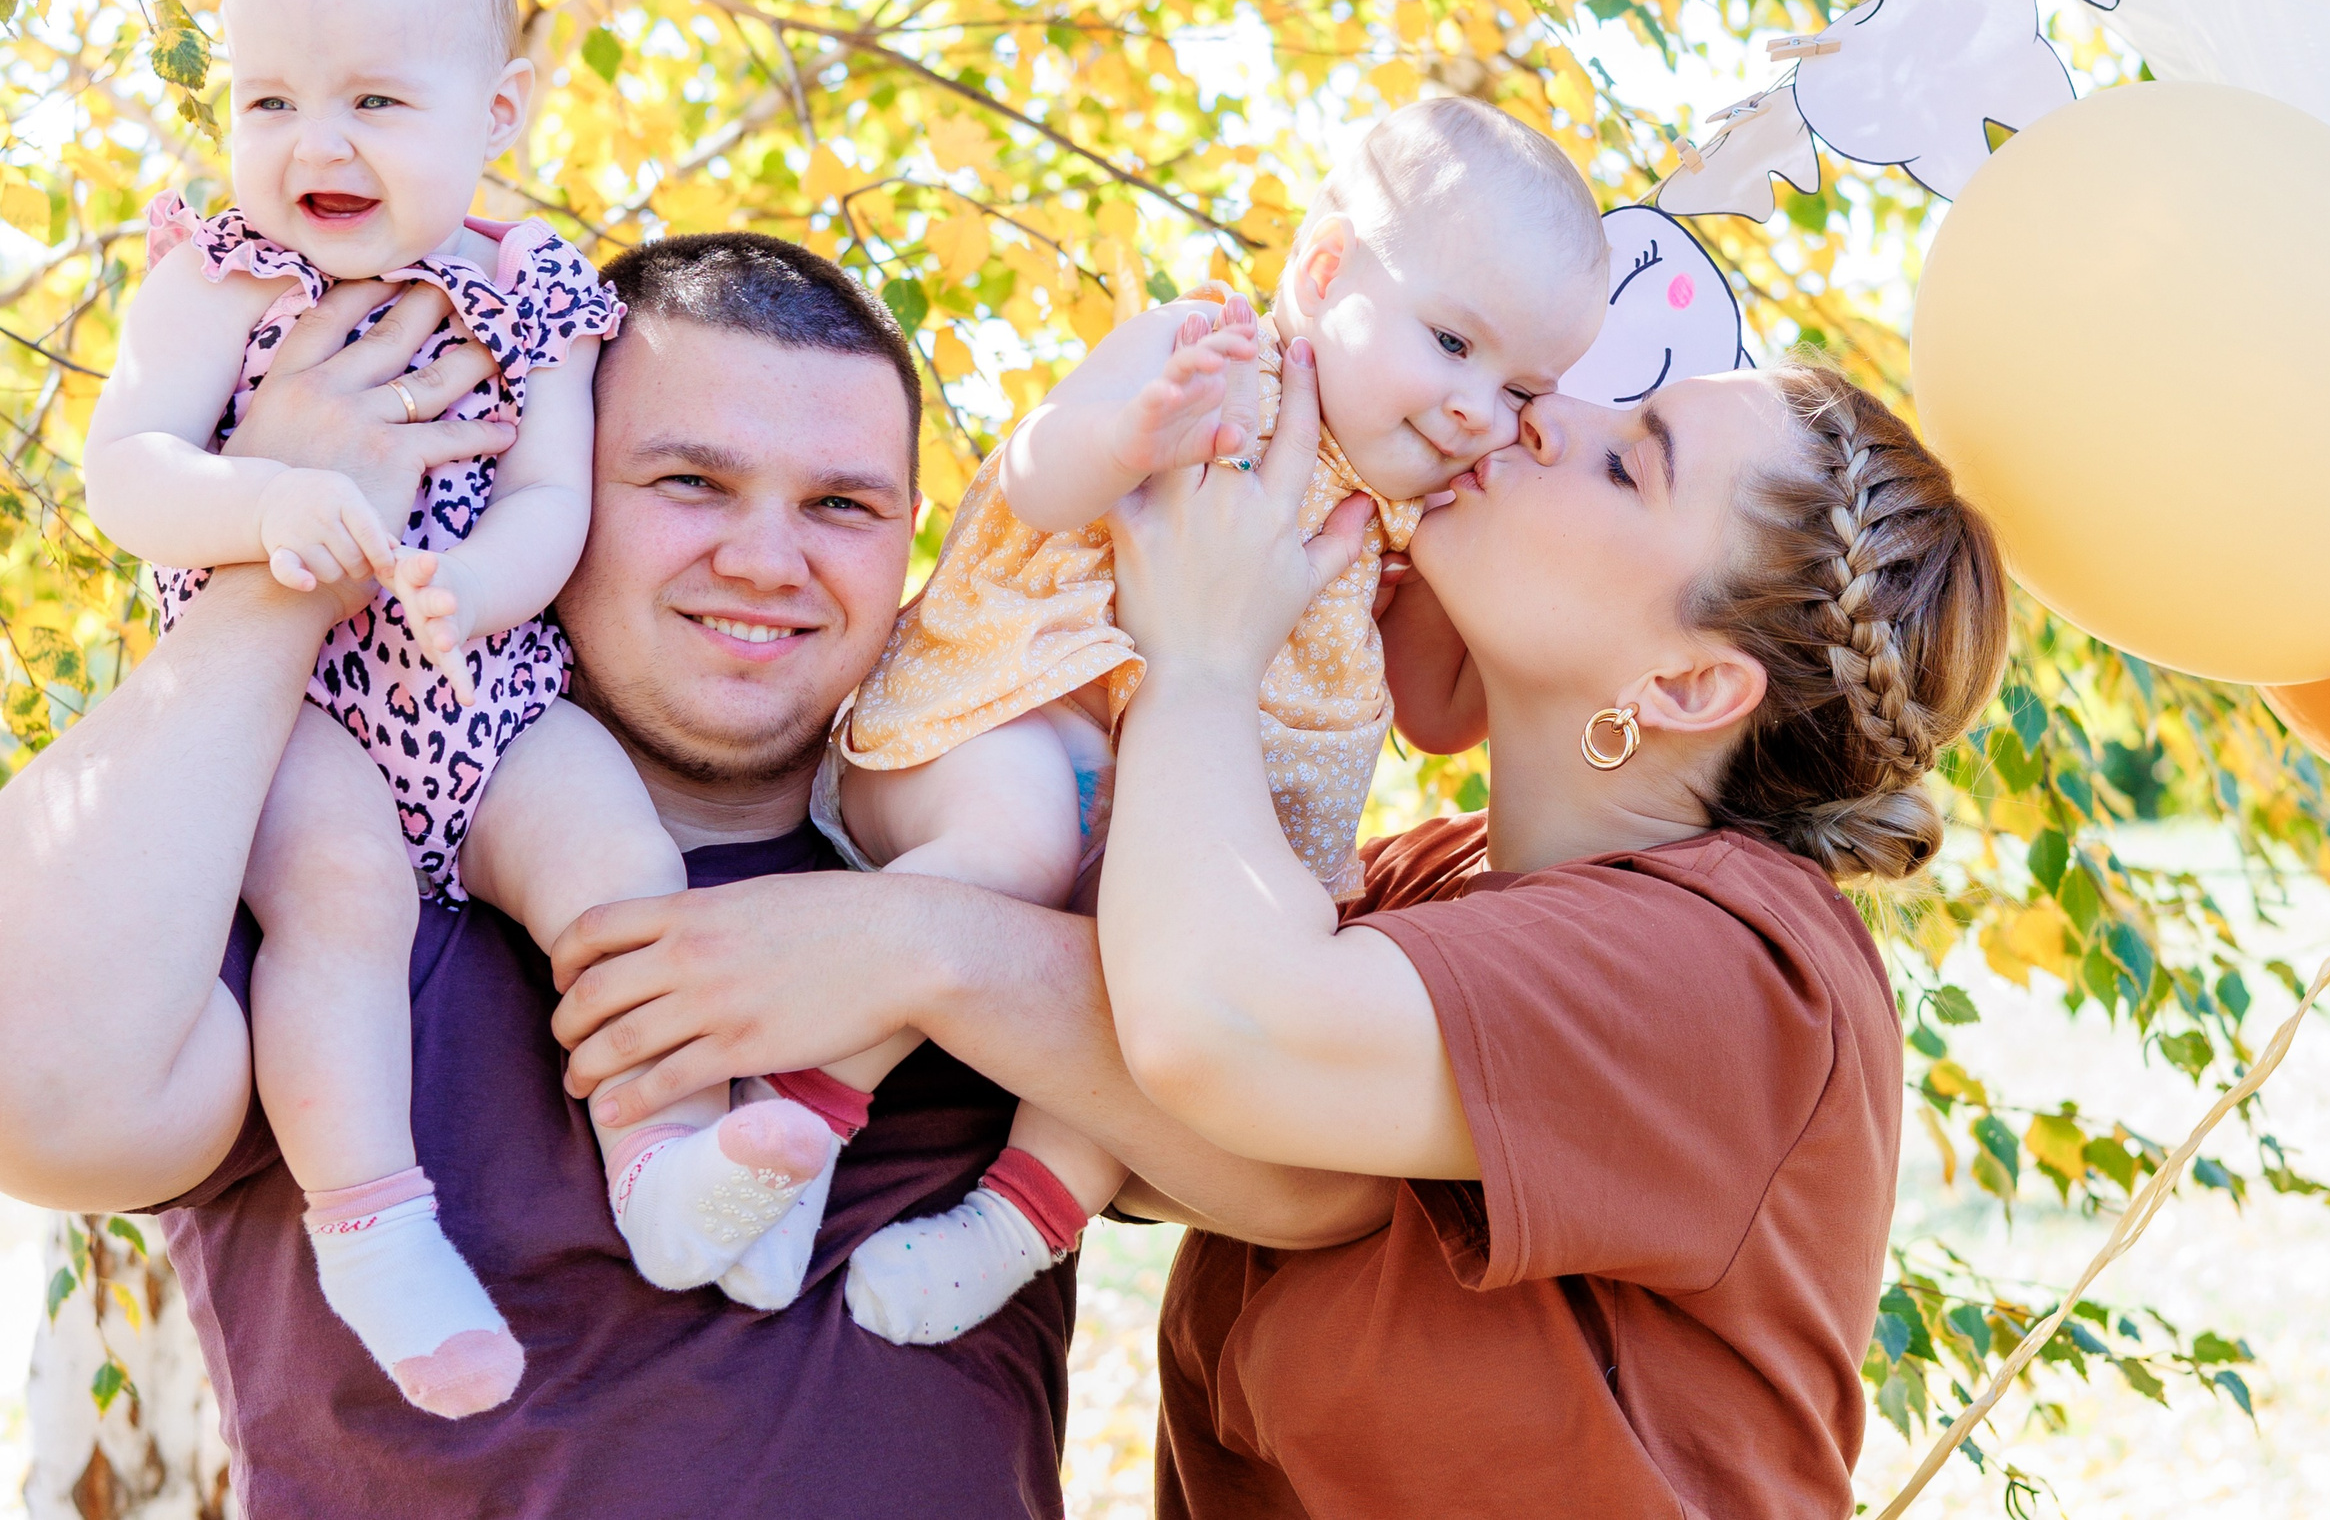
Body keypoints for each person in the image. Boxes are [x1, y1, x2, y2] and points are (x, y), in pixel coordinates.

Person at [0, 232, 1375, 1516]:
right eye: (689, 483)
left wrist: (927, 948)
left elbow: (1317, 1182)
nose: (766, 560)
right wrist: (285, 559)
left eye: (841, 505)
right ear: (546, 492)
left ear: (909, 541)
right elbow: (43, 1095)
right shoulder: (334, 872)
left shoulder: (1028, 879)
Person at [546, 340, 2009, 1517]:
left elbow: (1211, 1030)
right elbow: (1257, 1155)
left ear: (1689, 688)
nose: (1546, 413)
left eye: (1630, 461)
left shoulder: (1734, 966)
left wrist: (1194, 659)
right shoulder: (1427, 886)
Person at [79, 0, 840, 1419]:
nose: (316, 142)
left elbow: (554, 495)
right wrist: (267, 493)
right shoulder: (218, 278)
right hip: (288, 706)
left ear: (496, 115)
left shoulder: (531, 288)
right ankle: (375, 1225)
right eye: (271, 99)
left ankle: (669, 1155)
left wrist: (482, 586)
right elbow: (125, 475)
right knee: (340, 890)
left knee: (616, 862)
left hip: (480, 684)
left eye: (373, 98)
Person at [801, 96, 1607, 1346]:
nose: (1471, 409)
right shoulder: (1211, 359)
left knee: (1173, 977)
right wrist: (1126, 433)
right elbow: (1034, 477)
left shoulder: (1407, 518)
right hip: (1030, 714)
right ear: (1325, 272)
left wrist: (1508, 576)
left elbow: (1441, 715)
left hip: (1177, 827)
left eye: (1520, 390)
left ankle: (1013, 1220)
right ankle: (794, 1113)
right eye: (1451, 343)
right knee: (1018, 840)